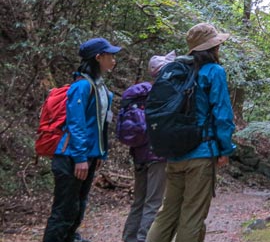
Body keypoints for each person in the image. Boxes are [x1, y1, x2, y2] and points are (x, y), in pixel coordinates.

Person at [146, 23, 236, 242]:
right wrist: (225, 148)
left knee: (167, 213)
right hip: (201, 153)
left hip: (174, 152)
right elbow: (223, 114)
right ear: (212, 47)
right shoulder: (213, 71)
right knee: (192, 216)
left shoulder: (177, 70)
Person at [43, 37, 121, 242]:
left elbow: (100, 124)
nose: (114, 59)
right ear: (98, 57)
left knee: (79, 204)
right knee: (64, 210)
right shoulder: (82, 87)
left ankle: (71, 238)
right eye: (111, 55)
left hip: (87, 155)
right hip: (71, 157)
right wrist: (80, 157)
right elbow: (76, 123)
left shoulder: (101, 88)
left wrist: (99, 153)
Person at [121, 51, 175, 242]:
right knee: (153, 202)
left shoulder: (141, 93)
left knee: (138, 202)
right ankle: (144, 238)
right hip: (157, 155)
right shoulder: (164, 94)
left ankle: (129, 238)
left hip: (139, 153)